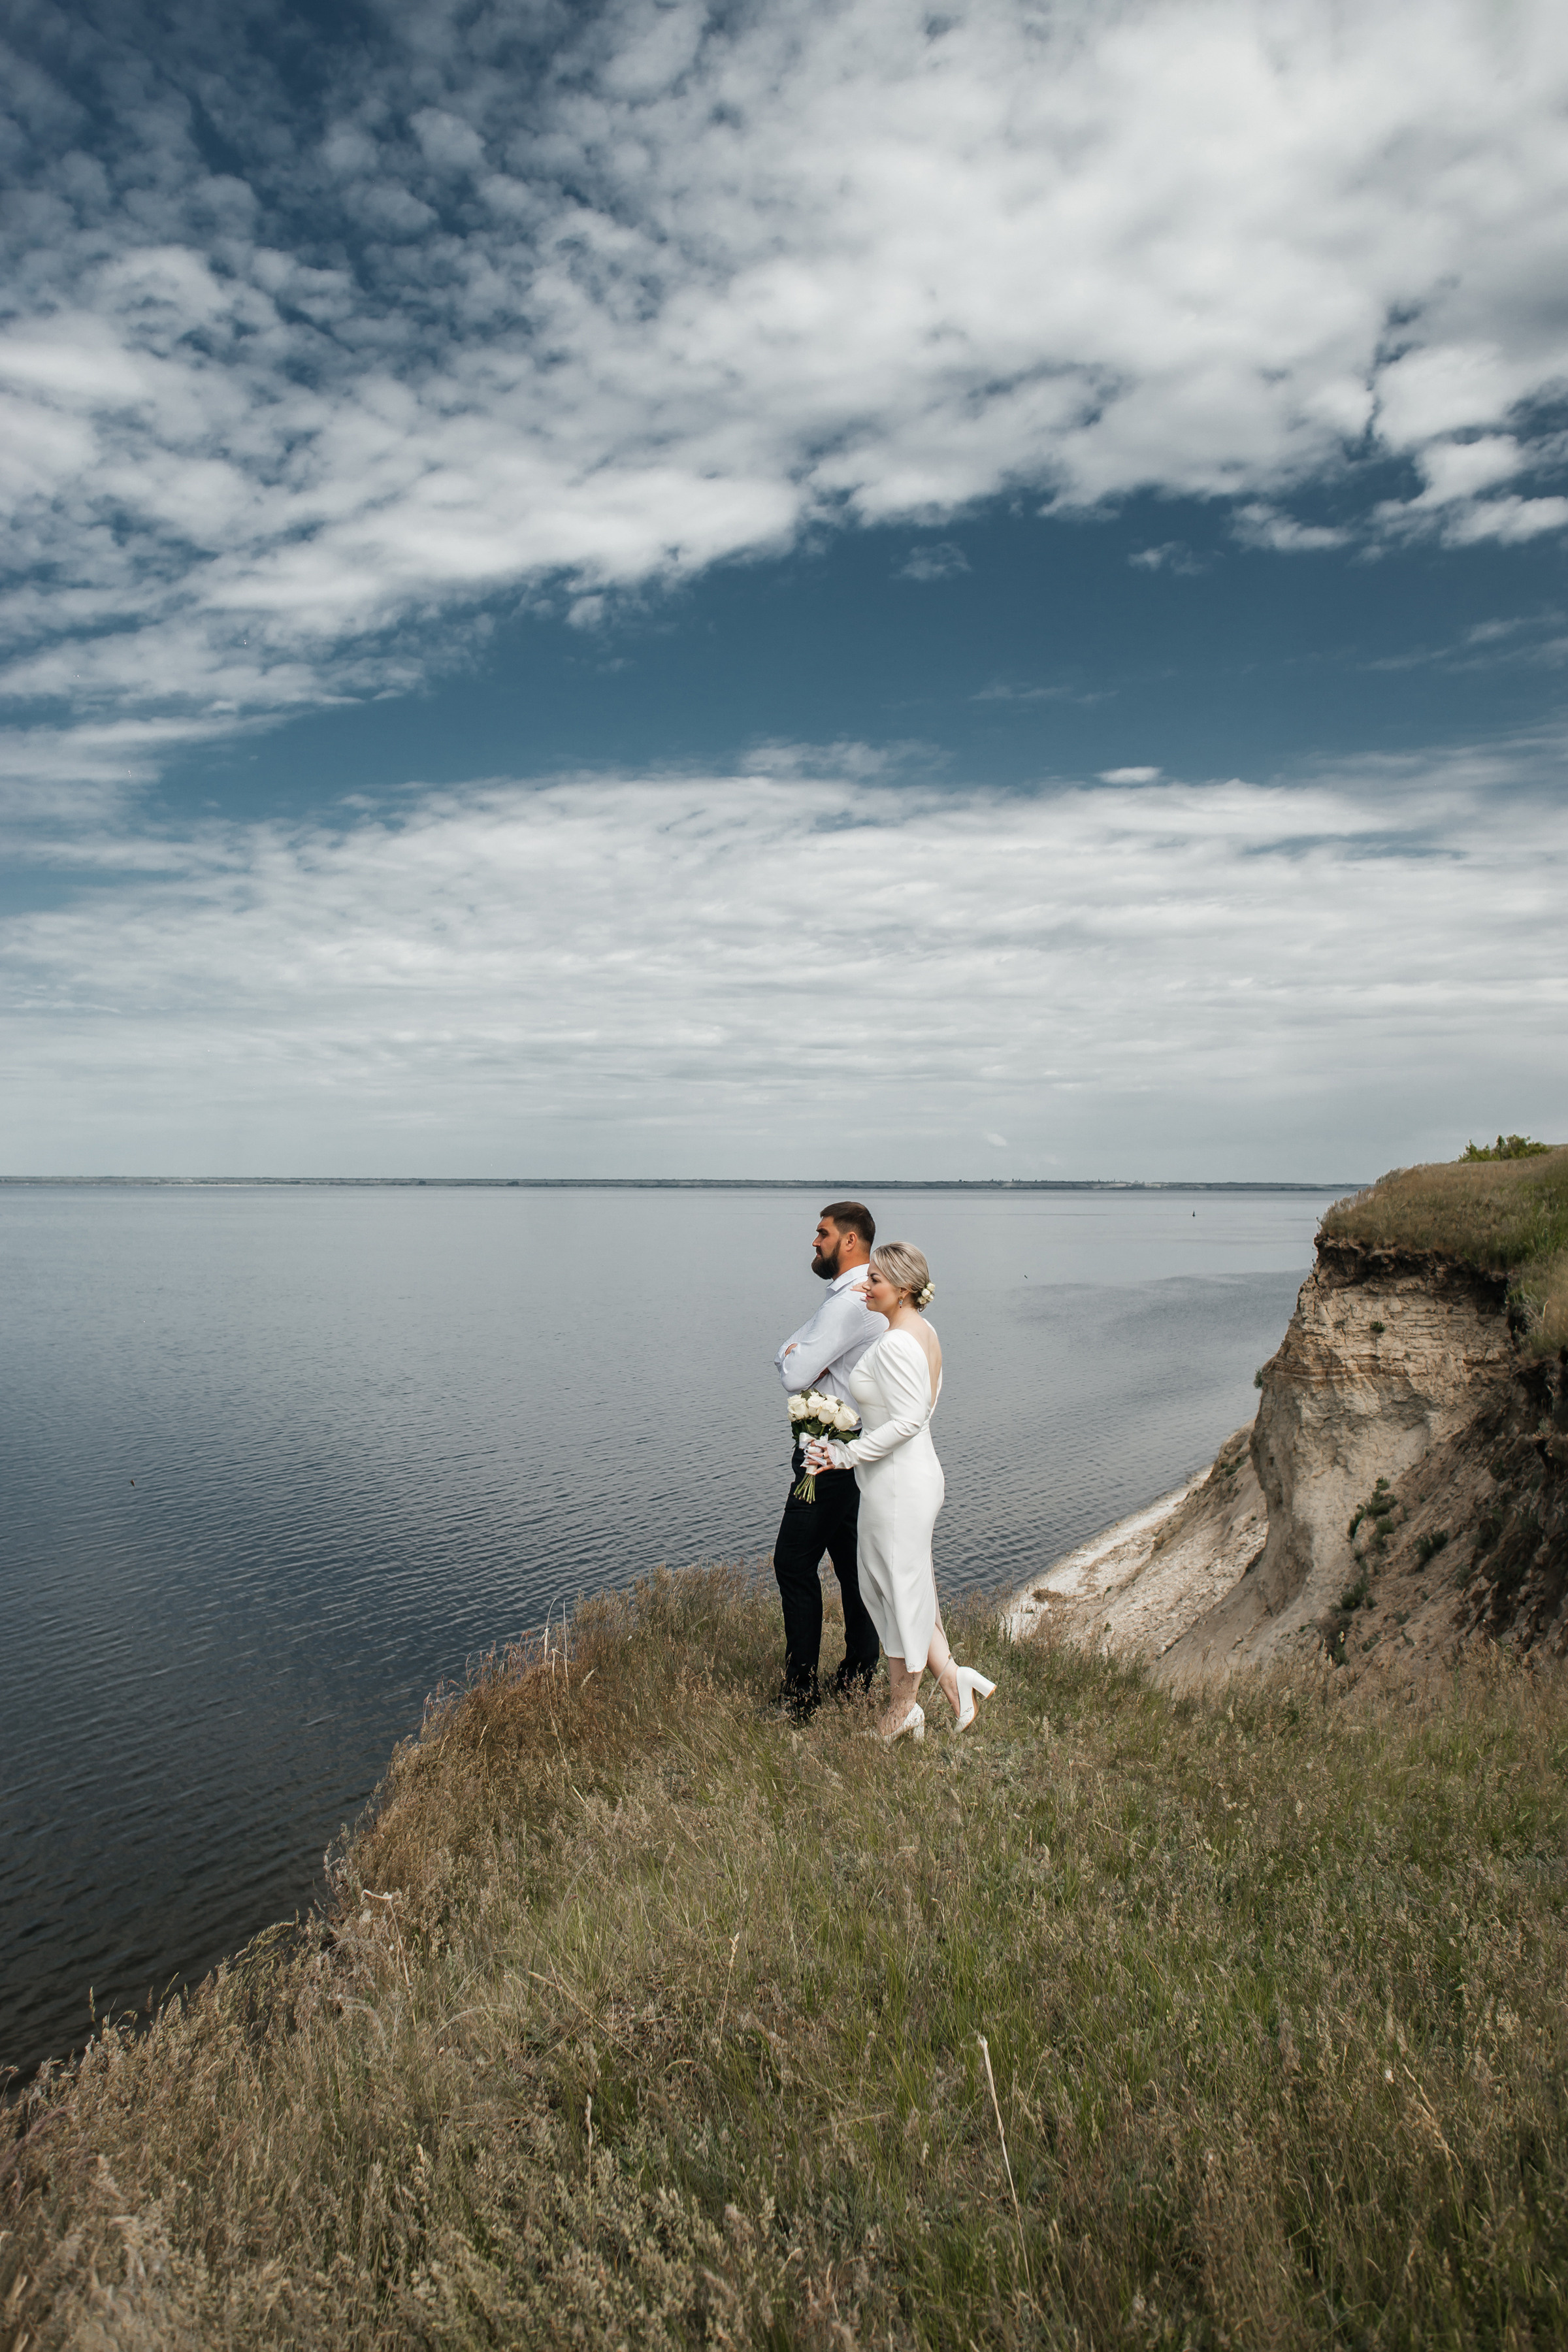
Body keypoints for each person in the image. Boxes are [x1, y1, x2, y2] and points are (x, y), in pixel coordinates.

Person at [804, 1243, 996, 1742]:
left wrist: (846, 1455)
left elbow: (909, 1419)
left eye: (875, 1282)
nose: (865, 1288)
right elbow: (909, 1411)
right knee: (910, 1588)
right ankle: (955, 1680)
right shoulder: (922, 1332)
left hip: (898, 1484)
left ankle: (902, 1709)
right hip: (912, 1476)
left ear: (904, 1290)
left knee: (894, 1594)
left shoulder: (895, 1344)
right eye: (867, 1279)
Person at [772, 1201, 887, 1716]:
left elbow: (794, 1371)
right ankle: (859, 1673)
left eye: (821, 1234)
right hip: (852, 1453)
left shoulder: (848, 1304)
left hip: (824, 1457)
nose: (813, 1242)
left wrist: (794, 1354)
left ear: (848, 1241)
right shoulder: (858, 1295)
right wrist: (797, 1352)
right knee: (851, 1567)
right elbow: (793, 1354)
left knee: (793, 1564)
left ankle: (800, 1696)